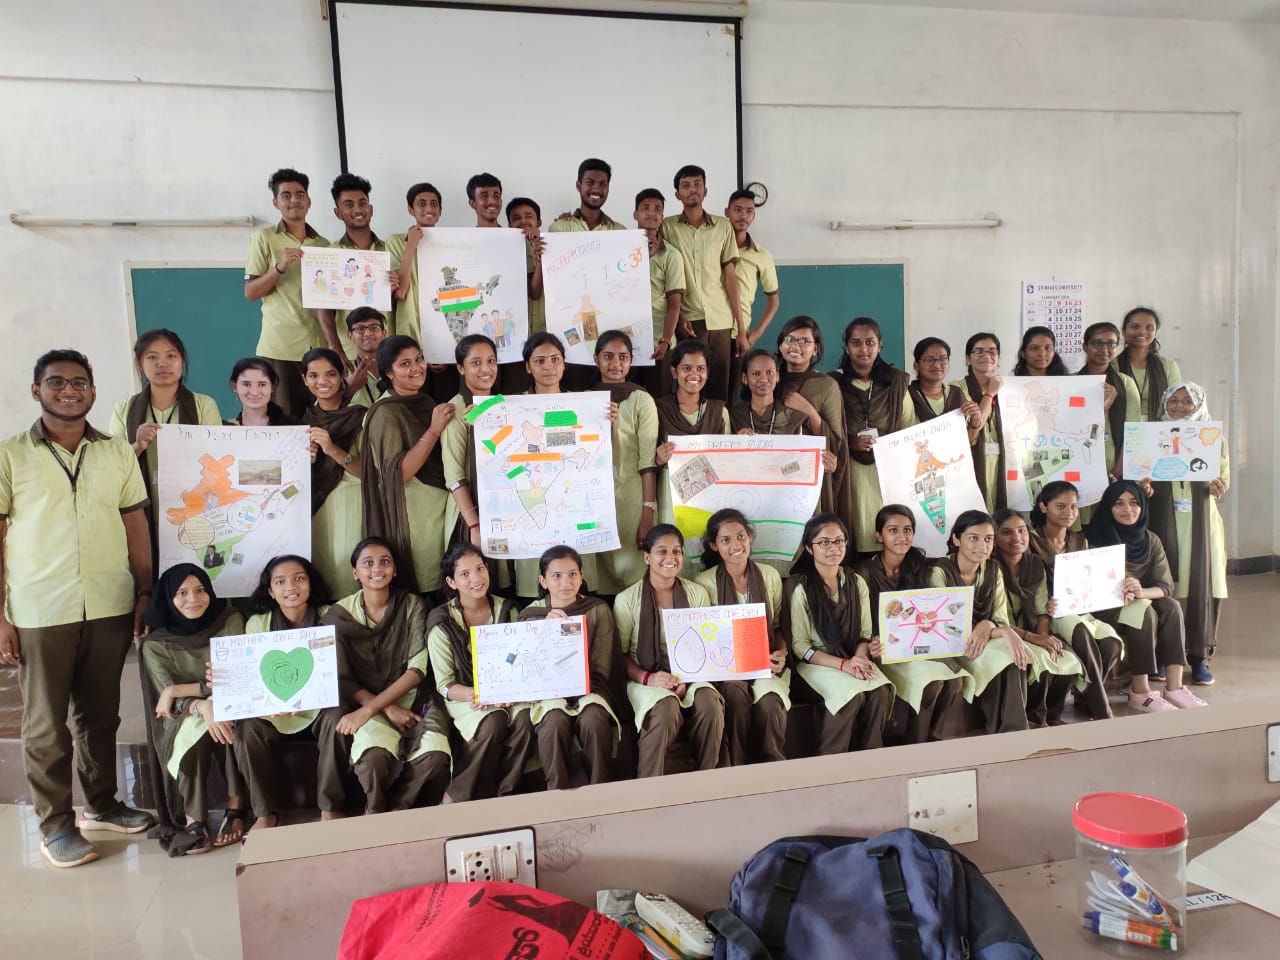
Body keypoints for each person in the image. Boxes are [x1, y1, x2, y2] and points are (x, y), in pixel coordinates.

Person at [0, 349, 155, 867]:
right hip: (40, 608)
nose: (69, 391)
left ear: (92, 391)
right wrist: (0, 616)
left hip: (108, 600)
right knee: (46, 724)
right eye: (57, 382)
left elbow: (135, 524)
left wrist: (144, 591)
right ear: (36, 390)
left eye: (79, 383)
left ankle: (103, 806)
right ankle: (55, 826)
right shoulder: (10, 454)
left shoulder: (115, 452)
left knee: (101, 714)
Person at [323, 538, 452, 813]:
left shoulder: (412, 605)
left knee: (434, 754)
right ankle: (376, 808)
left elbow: (417, 669)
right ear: (355, 572)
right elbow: (340, 678)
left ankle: (397, 808)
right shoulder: (337, 616)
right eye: (367, 563)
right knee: (373, 758)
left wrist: (375, 708)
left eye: (385, 562)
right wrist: (381, 709)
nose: (377, 569)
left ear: (394, 570)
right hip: (363, 701)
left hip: (415, 698)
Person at [138, 564, 247, 854]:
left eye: (200, 590)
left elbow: (235, 675)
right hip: (181, 715)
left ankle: (236, 807)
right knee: (192, 737)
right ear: (168, 598)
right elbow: (166, 701)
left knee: (228, 722)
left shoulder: (229, 621)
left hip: (231, 700)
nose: (194, 599)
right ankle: (194, 818)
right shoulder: (155, 645)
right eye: (182, 593)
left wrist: (179, 690)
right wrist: (200, 704)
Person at [233, 556, 347, 828]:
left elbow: (339, 670)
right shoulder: (258, 623)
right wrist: (271, 701)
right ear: (270, 591)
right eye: (280, 582)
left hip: (319, 708)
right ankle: (265, 813)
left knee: (339, 718)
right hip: (274, 711)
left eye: (299, 578)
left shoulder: (331, 616)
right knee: (246, 729)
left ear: (310, 583)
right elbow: (254, 675)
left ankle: (330, 807)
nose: (291, 587)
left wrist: (305, 698)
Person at [1084, 481, 1206, 712]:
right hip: (1105, 607)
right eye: (1119, 503)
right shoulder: (1093, 538)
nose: (1127, 509)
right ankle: (1139, 691)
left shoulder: (1150, 540)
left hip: (1138, 600)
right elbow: (1085, 584)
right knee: (1145, 613)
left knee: (1171, 606)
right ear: (1108, 507)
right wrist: (1119, 591)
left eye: (1134, 503)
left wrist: (1141, 592)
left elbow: (1166, 586)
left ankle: (1175, 687)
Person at [426, 544, 535, 801]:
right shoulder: (441, 622)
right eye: (465, 574)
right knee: (493, 721)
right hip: (465, 695)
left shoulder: (508, 610)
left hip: (508, 691)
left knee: (526, 720)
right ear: (451, 582)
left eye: (480, 569)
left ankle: (506, 793)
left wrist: (510, 691)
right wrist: (478, 693)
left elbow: (520, 658)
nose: (476, 578)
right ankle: (456, 795)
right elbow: (444, 685)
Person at [614, 525, 721, 777]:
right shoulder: (627, 600)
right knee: (665, 707)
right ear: (647, 557)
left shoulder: (696, 594)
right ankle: (651, 785)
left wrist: (686, 678)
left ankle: (708, 779)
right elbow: (619, 656)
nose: (670, 558)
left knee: (710, 702)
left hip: (690, 674)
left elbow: (705, 645)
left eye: (676, 551)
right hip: (643, 678)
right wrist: (649, 678)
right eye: (662, 551)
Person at [857, 505, 969, 744]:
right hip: (886, 647)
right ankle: (916, 742)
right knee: (931, 681)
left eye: (907, 530)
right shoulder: (865, 572)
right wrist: (871, 642)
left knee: (955, 678)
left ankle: (934, 736)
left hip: (922, 642)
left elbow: (933, 608)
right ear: (879, 536)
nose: (902, 536)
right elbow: (861, 619)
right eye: (893, 530)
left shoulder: (921, 566)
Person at [109, 329, 222, 564]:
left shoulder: (203, 405)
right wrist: (137, 445)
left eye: (171, 356)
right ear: (140, 364)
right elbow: (113, 466)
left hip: (192, 502)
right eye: (152, 357)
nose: (162, 364)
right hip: (141, 504)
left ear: (182, 361)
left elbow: (216, 458)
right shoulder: (124, 409)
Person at [782, 514, 894, 754]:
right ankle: (832, 760)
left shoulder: (856, 582)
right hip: (816, 664)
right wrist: (844, 665)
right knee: (850, 694)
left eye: (839, 541)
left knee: (879, 690)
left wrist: (860, 659)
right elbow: (801, 647)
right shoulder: (800, 587)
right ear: (809, 548)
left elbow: (865, 632)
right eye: (824, 542)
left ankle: (871, 756)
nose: (833, 548)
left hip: (852, 657)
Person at [518, 546, 622, 787]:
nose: (566, 582)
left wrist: (580, 687)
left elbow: (603, 664)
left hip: (590, 687)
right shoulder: (530, 616)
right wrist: (545, 629)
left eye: (572, 574)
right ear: (543, 581)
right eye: (556, 576)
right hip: (548, 692)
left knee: (594, 718)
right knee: (553, 721)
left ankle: (600, 788)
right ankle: (557, 791)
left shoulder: (597, 610)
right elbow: (527, 665)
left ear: (582, 576)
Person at [244, 168, 344, 417]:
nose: (294, 201)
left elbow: (332, 298)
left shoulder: (323, 245)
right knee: (283, 418)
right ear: (275, 202)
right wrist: (279, 268)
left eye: (300, 195)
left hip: (318, 346)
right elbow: (251, 292)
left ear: (308, 201)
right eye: (286, 195)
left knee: (320, 417)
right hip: (280, 346)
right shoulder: (263, 238)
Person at [1148, 381, 1229, 686]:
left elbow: (1223, 479)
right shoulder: (1151, 438)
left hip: (1201, 524)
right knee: (1165, 584)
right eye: (1174, 400)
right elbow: (1141, 472)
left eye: (1187, 401)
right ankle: (1162, 654)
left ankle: (1199, 656)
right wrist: (1144, 486)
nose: (1179, 406)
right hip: (1163, 522)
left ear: (1199, 405)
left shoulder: (1212, 438)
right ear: (1164, 403)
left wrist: (1219, 486)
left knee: (1202, 585)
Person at [361, 336, 455, 596]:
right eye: (405, 364)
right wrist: (434, 430)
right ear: (389, 373)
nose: (416, 368)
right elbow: (398, 473)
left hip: (439, 508)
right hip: (414, 515)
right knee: (426, 585)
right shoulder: (384, 412)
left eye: (419, 359)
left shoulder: (423, 401)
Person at [695, 510, 790, 764]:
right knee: (735, 694)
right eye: (725, 540)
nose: (736, 545)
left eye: (740, 536)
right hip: (727, 669)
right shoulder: (704, 583)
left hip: (765, 665)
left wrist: (781, 653)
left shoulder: (769, 576)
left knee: (771, 702)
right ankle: (737, 765)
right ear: (714, 545)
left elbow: (778, 626)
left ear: (749, 536)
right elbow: (706, 636)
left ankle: (773, 764)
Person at [1027, 481, 1123, 720]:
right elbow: (1032, 583)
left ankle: (1083, 693)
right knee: (1080, 632)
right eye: (1060, 506)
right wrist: (1045, 608)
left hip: (1080, 609)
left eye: (1073, 507)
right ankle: (1102, 710)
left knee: (1112, 643)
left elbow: (1088, 581)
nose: (1069, 512)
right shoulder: (1031, 541)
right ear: (1043, 507)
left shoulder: (1080, 540)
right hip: (1051, 613)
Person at [929, 510, 1031, 734]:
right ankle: (1007, 729)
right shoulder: (940, 571)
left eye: (988, 539)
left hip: (985, 639)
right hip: (950, 644)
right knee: (1001, 653)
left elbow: (1000, 617)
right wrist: (996, 629)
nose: (982, 546)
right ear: (957, 539)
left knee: (1013, 656)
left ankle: (1013, 730)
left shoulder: (993, 570)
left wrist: (990, 626)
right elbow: (944, 623)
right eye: (973, 538)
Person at [992, 509, 1085, 727]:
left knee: (1064, 656)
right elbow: (998, 620)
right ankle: (1033, 718)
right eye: (1006, 532)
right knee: (1035, 658)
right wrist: (1035, 640)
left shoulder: (1034, 563)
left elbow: (1043, 610)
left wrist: (1043, 639)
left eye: (1021, 531)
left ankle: (1052, 714)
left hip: (1031, 630)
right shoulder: (992, 568)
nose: (1016, 537)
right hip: (1004, 634)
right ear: (994, 539)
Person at [660, 165, 742, 402]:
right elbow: (662, 276)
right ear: (677, 194)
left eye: (697, 184)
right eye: (686, 186)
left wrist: (741, 328)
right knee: (689, 387)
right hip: (688, 320)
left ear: (706, 190)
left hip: (721, 320)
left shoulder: (723, 227)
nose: (692, 189)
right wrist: (677, 317)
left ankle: (718, 427)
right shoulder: (667, 227)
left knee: (719, 390)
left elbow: (730, 278)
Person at [836, 317, 918, 554]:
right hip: (849, 471)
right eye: (856, 343)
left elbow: (909, 427)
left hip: (887, 472)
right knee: (854, 526)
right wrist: (849, 442)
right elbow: (826, 430)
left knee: (886, 528)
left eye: (870, 342)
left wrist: (887, 447)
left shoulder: (896, 382)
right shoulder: (833, 383)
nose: (863, 349)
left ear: (880, 345)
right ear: (846, 347)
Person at [591, 331, 659, 597]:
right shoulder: (582, 400)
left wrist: (647, 511)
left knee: (633, 573)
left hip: (633, 496)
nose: (615, 363)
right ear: (596, 359)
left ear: (631, 361)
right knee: (598, 575)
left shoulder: (642, 399)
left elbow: (648, 460)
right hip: (593, 499)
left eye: (623, 357)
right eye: (608, 356)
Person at [299, 347, 365, 593]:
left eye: (330, 374)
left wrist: (332, 449)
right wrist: (304, 460)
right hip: (314, 509)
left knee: (346, 572)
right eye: (313, 376)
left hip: (351, 505)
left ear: (342, 376)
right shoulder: (301, 422)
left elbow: (368, 472)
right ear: (304, 380)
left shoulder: (361, 417)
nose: (322, 381)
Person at [653, 340, 730, 550]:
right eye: (686, 368)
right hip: (670, 496)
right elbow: (646, 461)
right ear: (674, 372)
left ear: (707, 373)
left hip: (709, 496)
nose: (694, 374)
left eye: (700, 369)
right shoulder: (658, 410)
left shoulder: (719, 412)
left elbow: (728, 461)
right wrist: (658, 459)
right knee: (675, 545)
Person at [776, 316, 849, 527]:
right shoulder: (770, 379)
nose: (795, 346)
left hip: (811, 477)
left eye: (804, 341)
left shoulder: (826, 385)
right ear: (780, 345)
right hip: (774, 474)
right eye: (789, 339)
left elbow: (836, 440)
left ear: (815, 349)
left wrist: (809, 411)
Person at [441, 334, 501, 551]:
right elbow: (454, 476)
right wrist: (474, 525)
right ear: (460, 368)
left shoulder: (501, 405)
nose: (486, 369)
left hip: (500, 508)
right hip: (469, 515)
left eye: (491, 361)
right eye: (476, 363)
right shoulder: (456, 411)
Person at [329, 173, 391, 362]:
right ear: (338, 213)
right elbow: (323, 309)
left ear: (370, 209)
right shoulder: (331, 254)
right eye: (349, 205)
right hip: (350, 351)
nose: (357, 209)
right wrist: (336, 349)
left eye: (362, 203)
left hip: (388, 348)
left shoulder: (389, 250)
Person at [634, 188, 685, 394]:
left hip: (659, 343)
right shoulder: (620, 250)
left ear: (662, 216)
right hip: (626, 343)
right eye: (645, 208)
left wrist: (665, 341)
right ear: (635, 214)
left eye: (657, 209)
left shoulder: (671, 255)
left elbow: (674, 304)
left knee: (660, 399)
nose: (651, 213)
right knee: (628, 398)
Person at [1077, 322, 1141, 487]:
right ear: (1085, 346)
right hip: (1079, 462)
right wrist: (1102, 409)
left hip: (1115, 467)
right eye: (1097, 343)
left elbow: (1133, 432)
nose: (1104, 349)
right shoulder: (1073, 382)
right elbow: (1069, 425)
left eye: (1111, 344)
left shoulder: (1125, 383)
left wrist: (1116, 473)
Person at [951, 333, 1006, 513]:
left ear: (998, 358)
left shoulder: (1008, 389)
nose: (986, 356)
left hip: (1002, 464)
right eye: (979, 351)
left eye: (992, 352)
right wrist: (989, 394)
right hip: (972, 463)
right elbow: (973, 429)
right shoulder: (956, 388)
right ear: (968, 358)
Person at [725, 190, 779, 362]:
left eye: (749, 211)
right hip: (711, 328)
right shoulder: (714, 248)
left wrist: (755, 334)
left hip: (739, 333)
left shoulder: (761, 255)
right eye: (738, 209)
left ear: (753, 216)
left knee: (735, 379)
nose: (743, 216)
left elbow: (774, 301)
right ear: (727, 212)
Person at [388, 181, 443, 346]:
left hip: (443, 326)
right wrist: (411, 245)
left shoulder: (449, 244)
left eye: (434, 204)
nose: (429, 208)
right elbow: (400, 292)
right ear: (411, 210)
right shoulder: (396, 242)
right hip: (411, 330)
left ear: (440, 210)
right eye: (422, 204)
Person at [506, 196, 546, 394]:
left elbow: (535, 292)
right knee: (517, 393)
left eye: (528, 216)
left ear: (539, 221)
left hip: (545, 339)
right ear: (509, 225)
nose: (523, 221)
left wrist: (540, 257)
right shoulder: (502, 252)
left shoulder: (551, 246)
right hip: (513, 344)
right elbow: (533, 292)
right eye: (516, 218)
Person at [1114, 306, 1182, 422]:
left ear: (1155, 333)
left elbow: (1176, 403)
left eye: (1149, 327)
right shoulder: (1113, 366)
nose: (1142, 331)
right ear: (1124, 331)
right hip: (1122, 428)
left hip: (1159, 428)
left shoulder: (1168, 365)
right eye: (1135, 327)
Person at [907, 337, 977, 423]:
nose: (937, 365)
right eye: (929, 360)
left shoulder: (956, 393)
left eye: (942, 359)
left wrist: (975, 421)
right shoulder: (908, 395)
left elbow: (966, 430)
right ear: (916, 365)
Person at [549, 158, 627, 233]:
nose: (596, 189)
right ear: (578, 186)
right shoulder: (559, 229)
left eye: (603, 184)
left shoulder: (620, 231)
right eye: (590, 182)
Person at [226, 356, 295, 425]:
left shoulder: (293, 426)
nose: (254, 392)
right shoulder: (225, 428)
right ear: (234, 386)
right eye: (246, 384)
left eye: (262, 384)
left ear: (273, 387)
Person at [343, 306, 388, 407]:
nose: (367, 333)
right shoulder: (344, 372)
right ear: (350, 336)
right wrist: (351, 388)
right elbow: (332, 409)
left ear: (384, 333)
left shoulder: (395, 367)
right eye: (360, 329)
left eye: (374, 328)